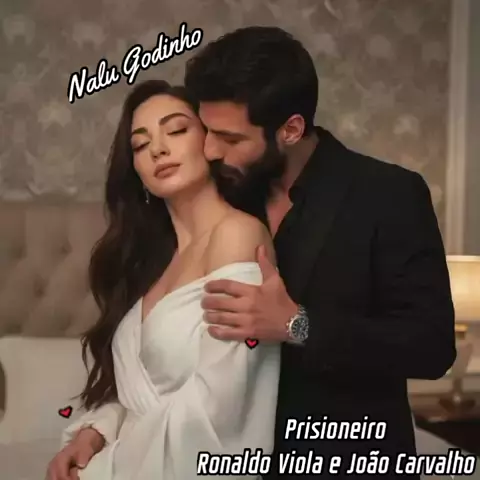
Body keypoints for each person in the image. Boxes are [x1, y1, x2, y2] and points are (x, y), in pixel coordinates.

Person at [183, 26, 456, 479]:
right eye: (207, 131)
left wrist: (297, 324)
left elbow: (431, 348)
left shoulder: (389, 194)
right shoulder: (217, 195)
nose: (210, 150)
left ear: (291, 130)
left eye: (230, 138)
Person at [45, 79, 280, 480]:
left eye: (176, 130)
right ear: (136, 170)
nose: (157, 149)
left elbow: (219, 411)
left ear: (209, 141)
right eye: (140, 144)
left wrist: (100, 471)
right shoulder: (150, 263)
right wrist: (94, 433)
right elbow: (143, 394)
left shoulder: (236, 235)